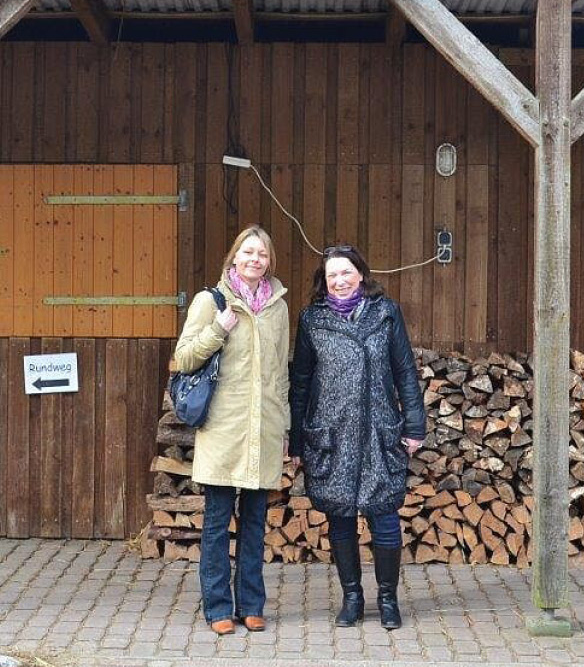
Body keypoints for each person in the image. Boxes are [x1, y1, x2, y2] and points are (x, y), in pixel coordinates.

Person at [289, 244, 426, 630]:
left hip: (378, 432)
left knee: (384, 517)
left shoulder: (386, 314)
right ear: (324, 281)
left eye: (346, 272)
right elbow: (300, 382)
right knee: (340, 519)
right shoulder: (311, 320)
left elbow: (405, 372)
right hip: (331, 435)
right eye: (332, 275)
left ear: (361, 275)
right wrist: (298, 439)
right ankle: (352, 596)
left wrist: (414, 425)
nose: (340, 280)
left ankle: (387, 599)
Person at [172, 224, 290, 636]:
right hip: (225, 430)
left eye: (263, 254)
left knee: (256, 523)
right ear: (234, 257)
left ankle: (252, 604)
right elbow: (184, 358)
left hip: (265, 428)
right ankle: (218, 606)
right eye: (248, 252)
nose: (256, 260)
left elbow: (281, 373)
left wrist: (285, 423)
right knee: (218, 523)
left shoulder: (277, 305)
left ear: (269, 261)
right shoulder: (212, 301)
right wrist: (218, 329)